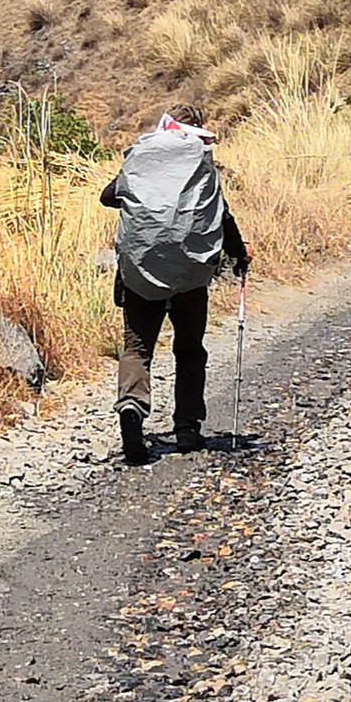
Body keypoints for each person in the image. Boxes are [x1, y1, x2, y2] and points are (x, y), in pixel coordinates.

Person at [99, 105, 250, 464]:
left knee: (137, 349)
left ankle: (132, 407)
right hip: (190, 278)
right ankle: (187, 429)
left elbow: (108, 197)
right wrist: (239, 256)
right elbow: (222, 217)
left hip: (140, 273)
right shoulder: (202, 167)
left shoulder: (142, 161)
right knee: (189, 349)